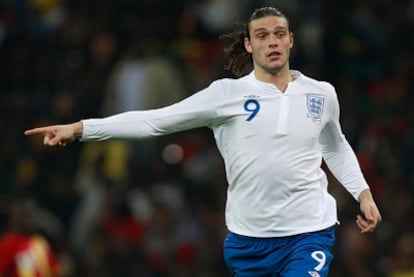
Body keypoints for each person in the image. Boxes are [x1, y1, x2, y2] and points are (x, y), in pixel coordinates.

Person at [24, 6, 382, 277]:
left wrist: (362, 194)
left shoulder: (322, 94)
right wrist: (81, 128)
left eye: (279, 33)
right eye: (262, 35)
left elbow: (334, 145)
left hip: (309, 231)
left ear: (290, 40)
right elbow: (156, 121)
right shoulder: (226, 95)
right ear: (249, 44)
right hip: (249, 239)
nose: (272, 41)